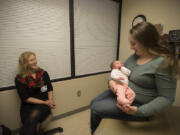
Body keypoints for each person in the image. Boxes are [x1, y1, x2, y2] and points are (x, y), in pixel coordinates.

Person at [90, 22, 180, 135]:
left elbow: (167, 98)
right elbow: (117, 71)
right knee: (93, 102)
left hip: (138, 105)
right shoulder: (135, 56)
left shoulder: (163, 63)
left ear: (146, 42)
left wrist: (138, 111)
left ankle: (93, 132)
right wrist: (112, 83)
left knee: (96, 108)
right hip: (121, 91)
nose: (131, 47)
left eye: (134, 43)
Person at [15, 51, 56, 135]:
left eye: (35, 59)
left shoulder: (43, 73)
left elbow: (50, 88)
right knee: (36, 126)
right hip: (28, 105)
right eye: (31, 60)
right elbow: (25, 98)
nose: (35, 62)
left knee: (32, 117)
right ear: (25, 63)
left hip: (43, 104)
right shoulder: (19, 79)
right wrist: (46, 102)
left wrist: (50, 100)